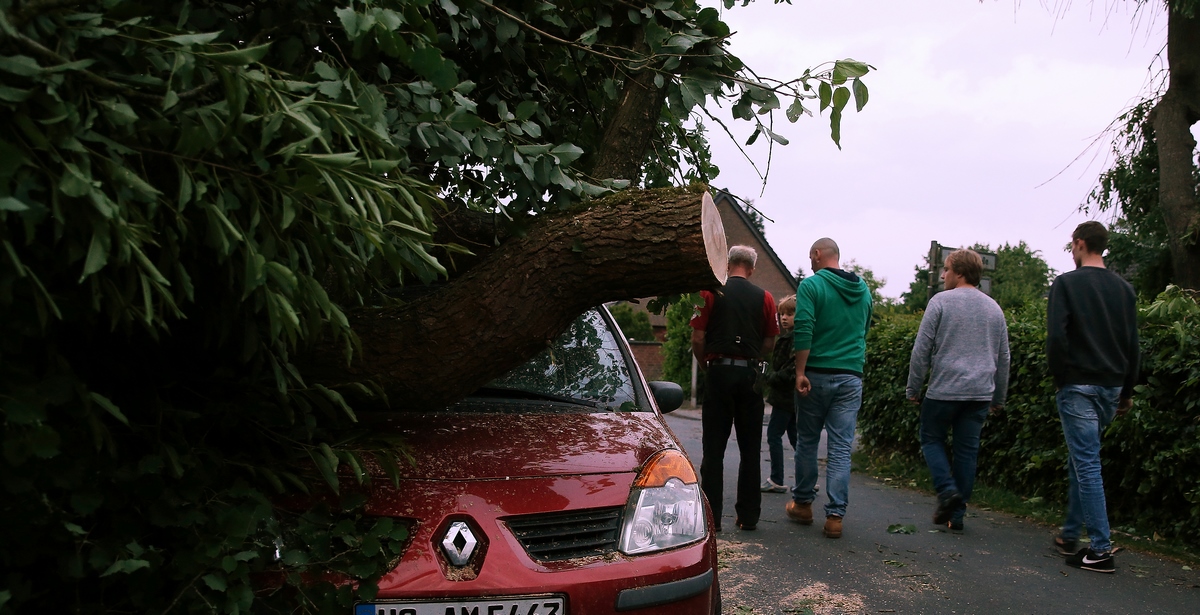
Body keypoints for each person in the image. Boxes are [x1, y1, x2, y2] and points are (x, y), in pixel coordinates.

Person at [1047, 221, 1139, 574]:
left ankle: (1101, 549)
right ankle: (1071, 532)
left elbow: (1057, 337)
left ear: (1081, 244)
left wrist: (1060, 378)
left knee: (1086, 464)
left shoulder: (1067, 284)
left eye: (1072, 245)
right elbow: (1133, 345)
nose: (1072, 251)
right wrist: (1126, 391)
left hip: (1078, 383)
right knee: (1083, 457)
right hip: (1111, 385)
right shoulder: (1124, 289)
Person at [906, 249, 1010, 533]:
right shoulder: (994, 309)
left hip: (945, 389)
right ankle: (958, 514)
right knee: (967, 451)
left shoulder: (940, 302)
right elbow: (1003, 358)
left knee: (930, 438)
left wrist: (913, 387)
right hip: (980, 393)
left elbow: (922, 350)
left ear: (959, 273)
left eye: (946, 269)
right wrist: (998, 397)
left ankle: (946, 490)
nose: (942, 275)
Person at [786, 238, 872, 539]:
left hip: (817, 374)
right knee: (840, 448)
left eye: (811, 257)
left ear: (818, 254)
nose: (810, 263)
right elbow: (864, 329)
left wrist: (800, 371)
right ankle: (835, 516)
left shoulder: (812, 286)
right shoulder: (863, 289)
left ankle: (804, 504)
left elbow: (804, 327)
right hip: (850, 376)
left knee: (808, 440)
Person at [691, 245, 779, 532]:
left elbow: (698, 337)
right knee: (750, 448)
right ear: (751, 269)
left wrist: (706, 365)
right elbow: (770, 341)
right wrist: (755, 359)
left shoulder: (709, 293)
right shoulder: (765, 298)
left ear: (726, 265)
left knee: (713, 449)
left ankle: (712, 516)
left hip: (719, 372)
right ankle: (748, 516)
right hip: (750, 375)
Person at [762, 295, 798, 494]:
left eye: (790, 314)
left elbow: (789, 370)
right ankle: (805, 477)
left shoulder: (793, 339)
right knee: (795, 436)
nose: (784, 318)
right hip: (791, 397)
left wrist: (770, 377)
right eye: (782, 314)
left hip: (784, 396)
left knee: (774, 434)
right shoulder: (793, 337)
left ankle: (777, 478)